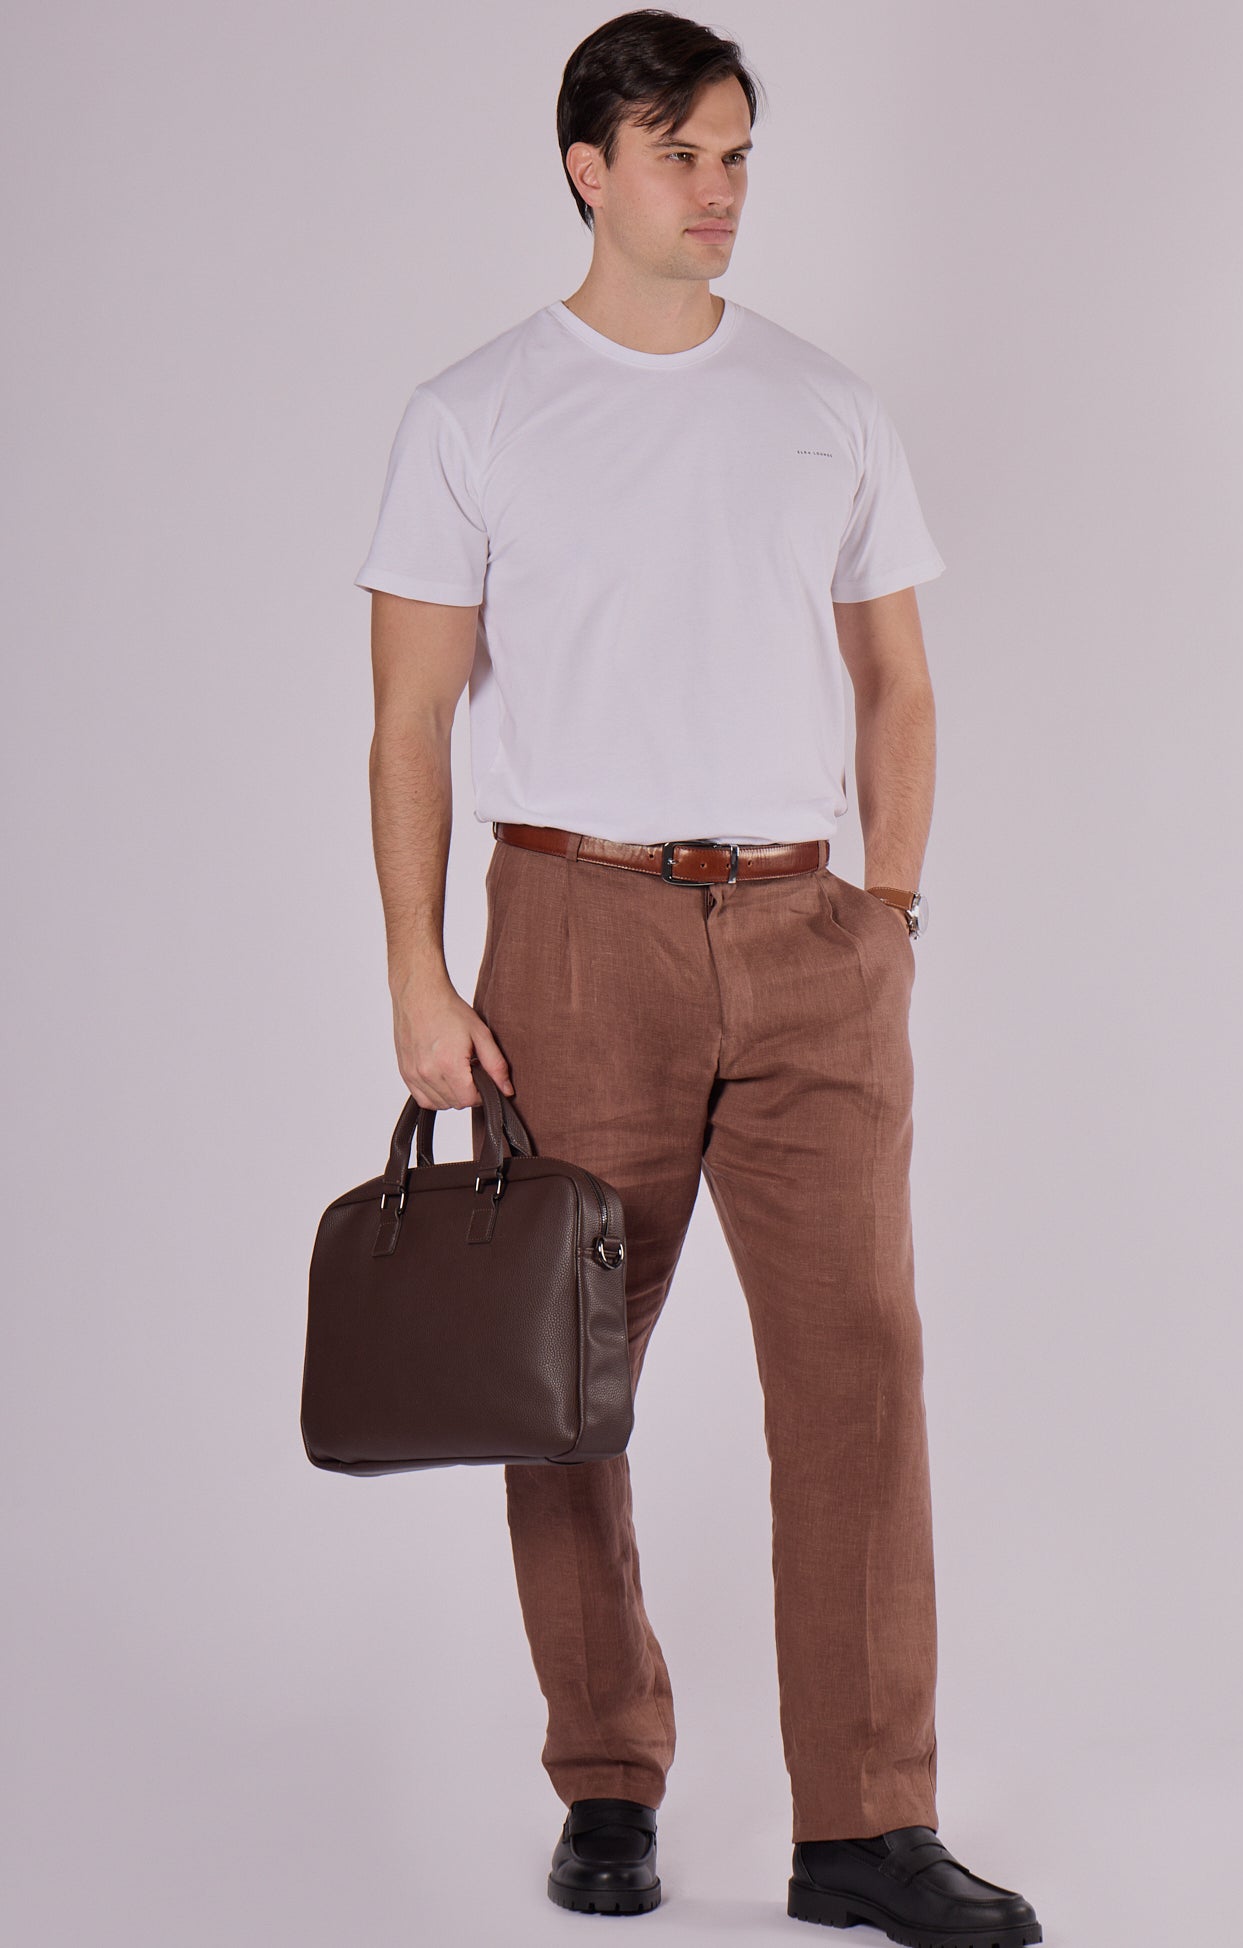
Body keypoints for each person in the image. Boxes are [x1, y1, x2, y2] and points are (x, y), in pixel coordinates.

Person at [353, 9, 1043, 1943]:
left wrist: (887, 913)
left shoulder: (823, 403)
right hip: (575, 931)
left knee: (860, 1373)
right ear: (588, 168)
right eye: (681, 155)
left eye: (736, 156)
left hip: (813, 935)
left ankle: (864, 1828)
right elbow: (409, 720)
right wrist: (417, 977)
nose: (719, 191)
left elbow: (897, 678)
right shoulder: (475, 412)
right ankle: (607, 1775)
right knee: (562, 1377)